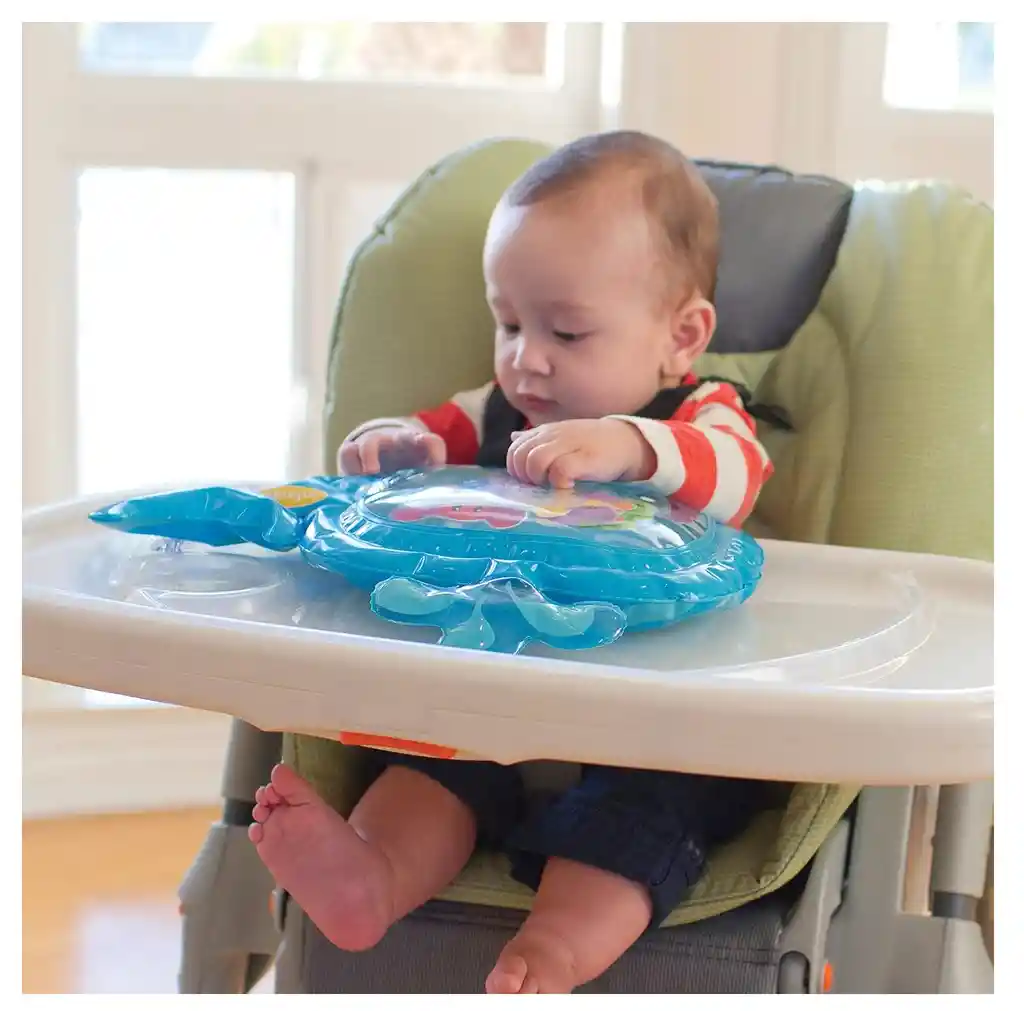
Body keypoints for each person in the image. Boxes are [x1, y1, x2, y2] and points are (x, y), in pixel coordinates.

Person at [250, 130, 775, 994]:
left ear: (681, 336)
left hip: (649, 724)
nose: (527, 357)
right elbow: (408, 451)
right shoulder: (495, 410)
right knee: (425, 766)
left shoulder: (703, 415)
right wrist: (388, 447)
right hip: (485, 698)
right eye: (509, 322)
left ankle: (556, 948)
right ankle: (369, 879)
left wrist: (627, 445)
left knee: (647, 813)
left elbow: (735, 478)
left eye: (566, 330)